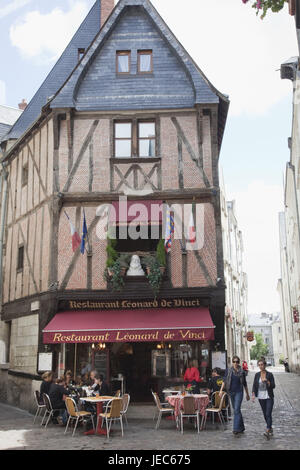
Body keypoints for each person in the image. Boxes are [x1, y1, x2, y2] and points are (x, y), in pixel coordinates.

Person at [219, 355, 250, 436]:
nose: (235, 363)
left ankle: (235, 429)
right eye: (234, 362)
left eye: (237, 362)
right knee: (237, 410)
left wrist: (247, 394)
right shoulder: (228, 370)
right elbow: (224, 380)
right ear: (232, 362)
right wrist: (221, 390)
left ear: (239, 363)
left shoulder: (242, 371)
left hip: (239, 392)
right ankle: (241, 427)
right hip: (231, 392)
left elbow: (244, 383)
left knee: (236, 410)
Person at [252, 358, 275, 439]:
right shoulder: (257, 375)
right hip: (261, 397)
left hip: (269, 396)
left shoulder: (270, 374)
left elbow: (273, 386)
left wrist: (268, 382)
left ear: (265, 365)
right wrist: (253, 394)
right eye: (259, 365)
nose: (261, 366)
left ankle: (268, 429)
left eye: (262, 364)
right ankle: (270, 427)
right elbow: (254, 385)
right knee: (265, 414)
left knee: (268, 413)